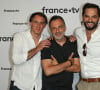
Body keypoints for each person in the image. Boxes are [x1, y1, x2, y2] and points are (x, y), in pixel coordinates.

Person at [9, 12, 51, 90]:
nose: (38, 26)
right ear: (30, 23)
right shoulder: (20, 36)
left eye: (41, 23)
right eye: (36, 22)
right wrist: (37, 48)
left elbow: (60, 38)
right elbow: (16, 60)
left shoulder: (47, 39)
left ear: (45, 25)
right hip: (19, 85)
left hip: (37, 86)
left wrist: (70, 37)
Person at [41, 15, 80, 90]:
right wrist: (68, 63)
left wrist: (57, 66)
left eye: (60, 27)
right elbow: (48, 71)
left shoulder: (73, 43)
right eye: (54, 28)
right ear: (50, 30)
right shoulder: (46, 45)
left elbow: (77, 68)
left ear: (65, 27)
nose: (57, 31)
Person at [73, 3, 100, 90]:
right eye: (87, 16)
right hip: (83, 84)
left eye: (94, 17)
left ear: (99, 18)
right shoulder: (78, 32)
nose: (90, 20)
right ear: (82, 17)